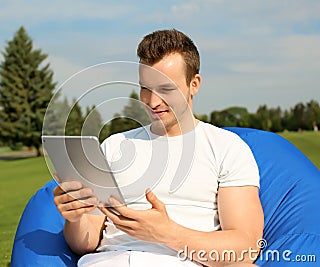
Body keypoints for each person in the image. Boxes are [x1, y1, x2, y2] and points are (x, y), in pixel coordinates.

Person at [53, 29, 264, 267]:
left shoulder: (226, 148)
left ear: (194, 84)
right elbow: (86, 241)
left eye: (166, 89)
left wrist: (166, 233)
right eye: (145, 88)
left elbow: (246, 247)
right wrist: (75, 218)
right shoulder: (114, 146)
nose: (152, 102)